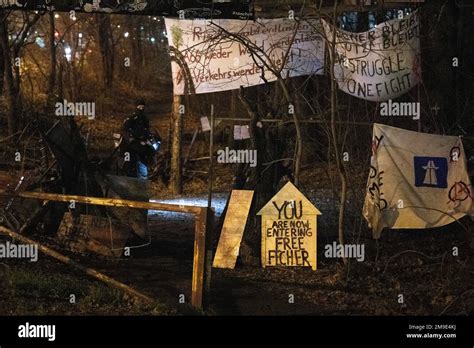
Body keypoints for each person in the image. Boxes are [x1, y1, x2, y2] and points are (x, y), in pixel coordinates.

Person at [121, 99, 160, 179]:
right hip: (133, 143)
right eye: (139, 106)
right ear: (136, 107)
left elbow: (147, 130)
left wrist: (150, 138)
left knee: (150, 151)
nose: (141, 108)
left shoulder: (144, 119)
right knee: (137, 155)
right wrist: (132, 139)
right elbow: (126, 130)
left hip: (143, 141)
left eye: (142, 106)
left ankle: (148, 171)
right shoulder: (131, 119)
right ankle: (135, 174)